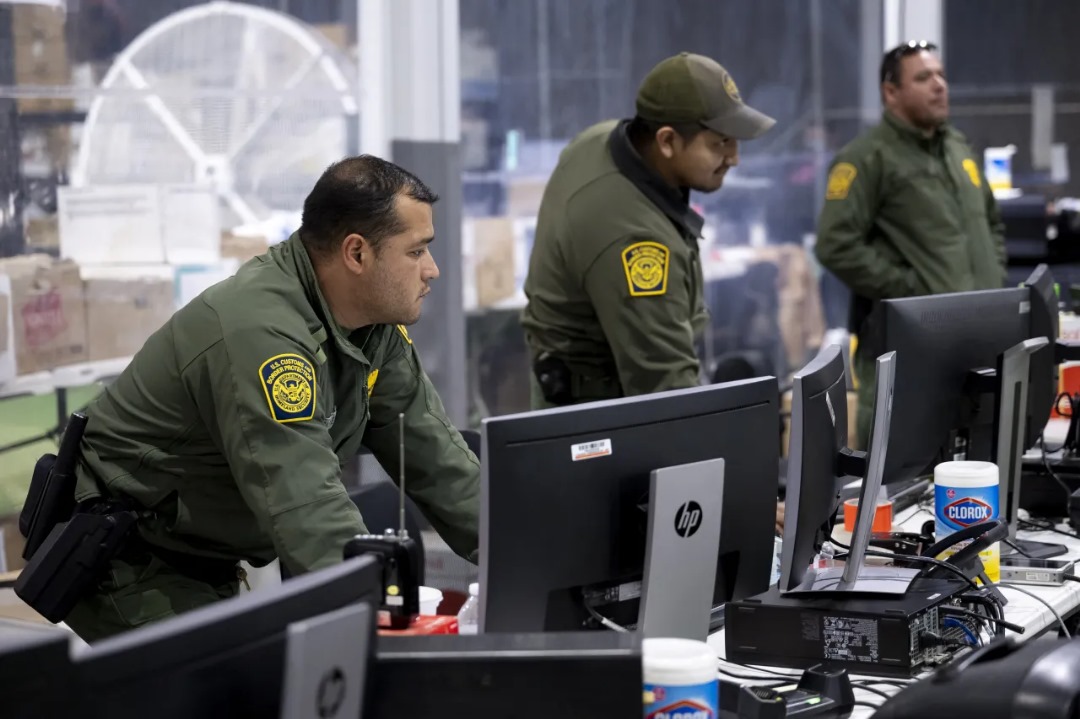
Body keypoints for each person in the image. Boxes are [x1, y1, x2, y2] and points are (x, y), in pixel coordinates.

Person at [62, 156, 480, 641]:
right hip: (130, 559)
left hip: (211, 552)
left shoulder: (373, 328)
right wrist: (387, 606)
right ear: (357, 254)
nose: (433, 270)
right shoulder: (263, 332)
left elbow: (439, 458)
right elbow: (308, 504)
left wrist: (525, 551)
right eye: (416, 252)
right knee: (223, 692)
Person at [519, 52, 785, 531]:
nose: (735, 157)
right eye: (720, 142)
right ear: (666, 140)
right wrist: (741, 500)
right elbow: (664, 388)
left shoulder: (602, 141)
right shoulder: (635, 242)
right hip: (600, 434)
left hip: (585, 405)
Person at [814, 41, 1006, 448]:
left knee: (971, 482)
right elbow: (835, 244)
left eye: (940, 75)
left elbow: (991, 225)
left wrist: (995, 277)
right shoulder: (867, 158)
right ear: (891, 92)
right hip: (908, 357)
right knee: (898, 487)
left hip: (974, 349)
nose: (939, 85)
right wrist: (912, 294)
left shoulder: (957, 149)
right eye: (923, 78)